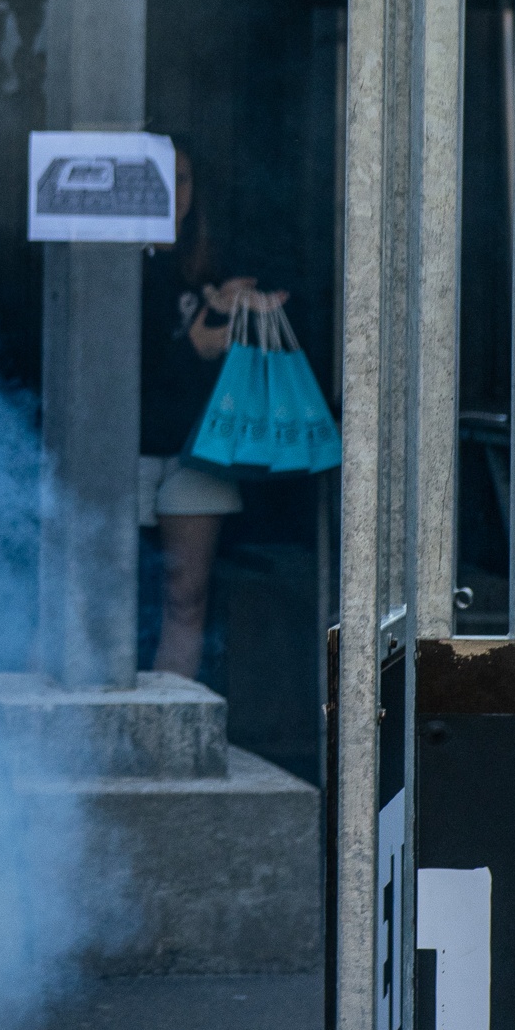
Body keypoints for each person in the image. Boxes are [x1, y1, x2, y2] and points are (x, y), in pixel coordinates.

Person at [138, 146, 284, 680]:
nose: (170, 192)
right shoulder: (103, 259)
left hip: (198, 450)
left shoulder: (210, 262)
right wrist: (194, 346)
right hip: (117, 447)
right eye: (156, 178)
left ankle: (171, 718)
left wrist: (237, 313)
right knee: (95, 595)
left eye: (181, 179)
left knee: (187, 597)